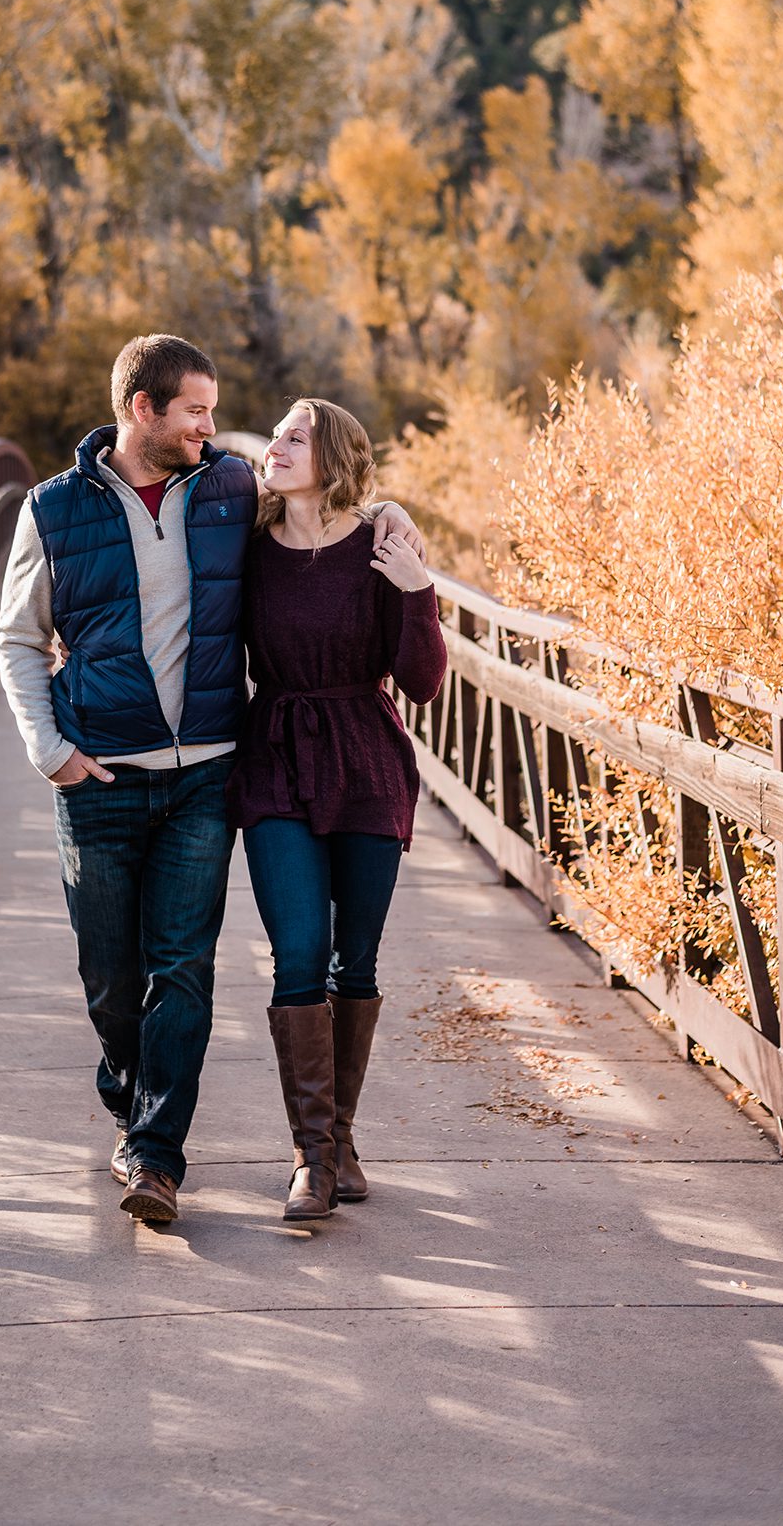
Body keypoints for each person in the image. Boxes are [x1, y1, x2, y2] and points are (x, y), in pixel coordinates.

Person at [0, 335, 422, 1226]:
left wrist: (386, 517)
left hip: (210, 775)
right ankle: (132, 1103)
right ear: (142, 409)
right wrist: (50, 750)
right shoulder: (52, 510)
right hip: (98, 777)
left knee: (183, 969)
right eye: (196, 411)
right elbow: (16, 641)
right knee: (111, 979)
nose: (214, 428)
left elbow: (332, 518)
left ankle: (162, 1157)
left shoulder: (228, 491)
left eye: (218, 414)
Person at [225, 398, 447, 1222]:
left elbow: (422, 682)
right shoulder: (247, 548)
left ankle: (342, 1137)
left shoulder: (383, 545)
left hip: (366, 763)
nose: (276, 447)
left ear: (337, 457)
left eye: (296, 438)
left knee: (357, 964)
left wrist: (418, 592)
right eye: (275, 436)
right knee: (298, 957)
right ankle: (311, 1160)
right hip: (276, 757)